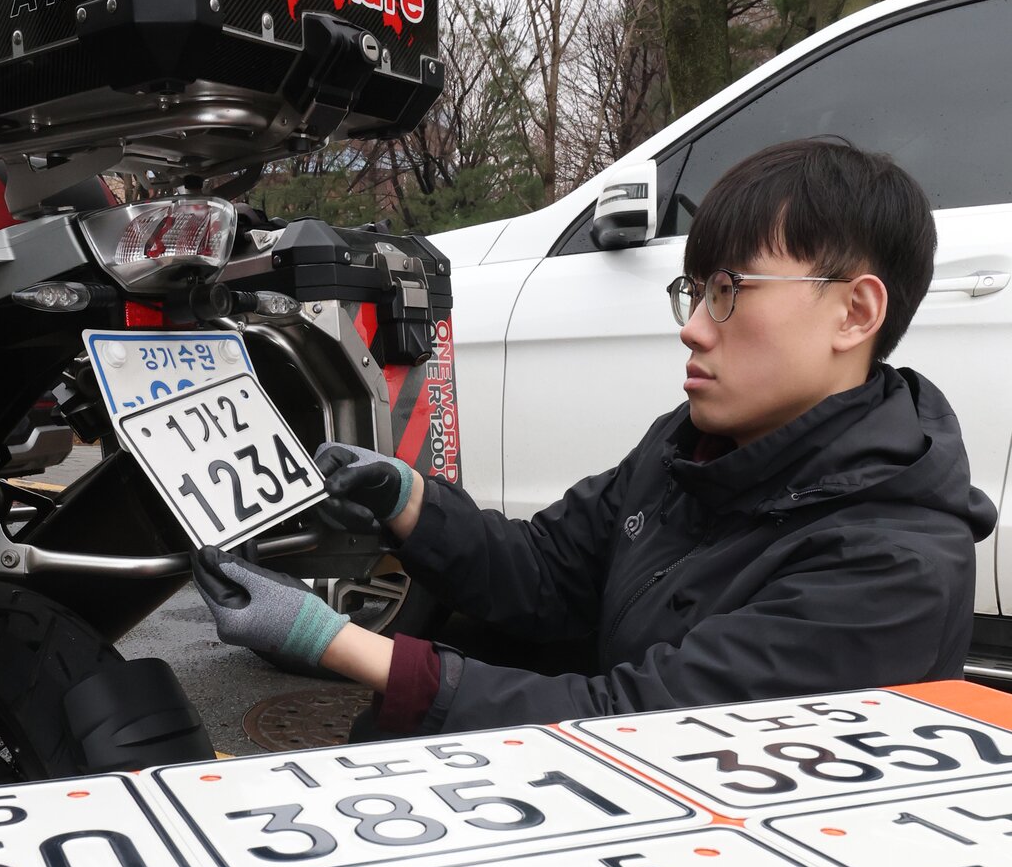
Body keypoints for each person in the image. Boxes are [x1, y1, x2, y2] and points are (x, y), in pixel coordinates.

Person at [191, 139, 995, 734]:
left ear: (855, 313)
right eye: (693, 292)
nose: (694, 329)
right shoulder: (694, 448)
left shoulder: (891, 566)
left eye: (728, 292)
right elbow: (548, 570)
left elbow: (638, 724)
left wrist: (330, 640)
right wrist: (408, 502)